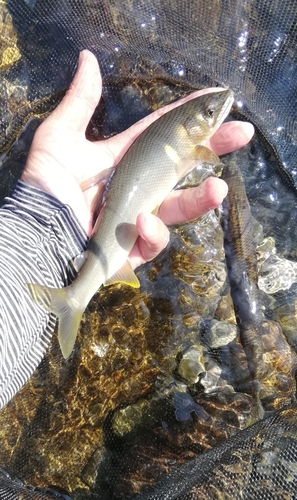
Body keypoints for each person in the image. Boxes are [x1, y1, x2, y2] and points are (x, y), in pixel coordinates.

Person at [0, 50, 254, 409]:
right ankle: (75, 298)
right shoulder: (196, 149)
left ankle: (74, 296)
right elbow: (204, 156)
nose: (217, 112)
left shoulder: (188, 142)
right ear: (189, 131)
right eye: (209, 114)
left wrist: (44, 230)